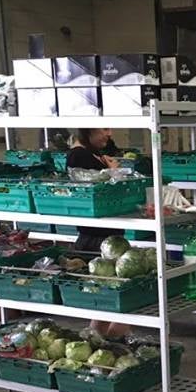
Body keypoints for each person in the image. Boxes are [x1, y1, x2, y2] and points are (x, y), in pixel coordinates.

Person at [67, 128, 129, 339]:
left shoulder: (92, 152)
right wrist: (113, 171)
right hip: (96, 236)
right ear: (88, 130)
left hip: (104, 233)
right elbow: (90, 187)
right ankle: (112, 342)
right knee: (113, 295)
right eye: (104, 129)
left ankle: (98, 340)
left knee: (106, 296)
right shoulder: (78, 155)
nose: (109, 133)